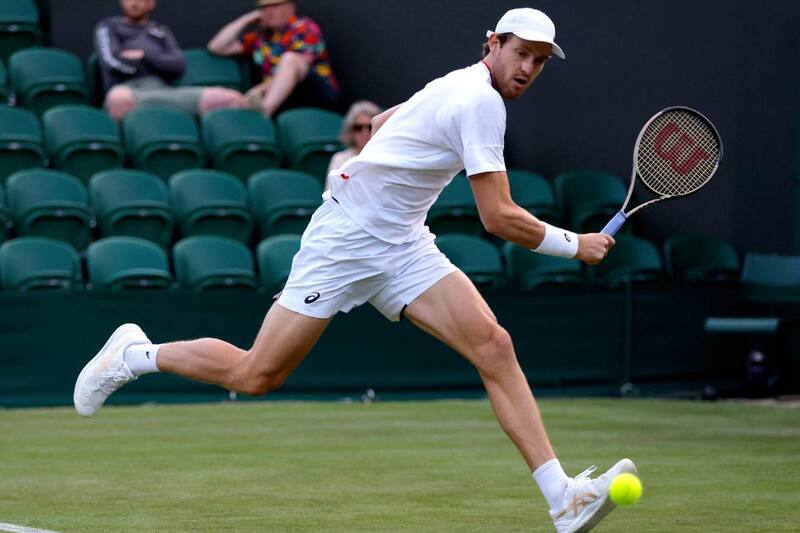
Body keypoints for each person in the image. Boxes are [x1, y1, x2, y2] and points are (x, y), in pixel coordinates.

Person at [75, 8, 636, 532]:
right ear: (493, 44)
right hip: (345, 240)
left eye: (539, 60)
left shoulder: (459, 83)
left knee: (494, 346)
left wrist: (388, 174)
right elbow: (498, 216)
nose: (529, 68)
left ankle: (563, 499)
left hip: (402, 242)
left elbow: (384, 119)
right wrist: (575, 245)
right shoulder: (479, 101)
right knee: (257, 374)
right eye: (521, 53)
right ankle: (133, 355)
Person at [96, 0, 246, 120]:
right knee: (118, 99)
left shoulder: (161, 31)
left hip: (165, 91)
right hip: (128, 90)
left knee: (232, 98)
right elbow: (111, 62)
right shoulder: (109, 26)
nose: (134, 2)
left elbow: (178, 65)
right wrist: (157, 64)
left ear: (151, 3)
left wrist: (145, 56)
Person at [207, 0, 339, 117]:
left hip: (314, 93)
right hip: (281, 99)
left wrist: (259, 90)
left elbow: (298, 66)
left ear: (290, 7)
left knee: (290, 59)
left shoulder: (304, 27)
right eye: (264, 7)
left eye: (275, 6)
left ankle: (263, 114)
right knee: (230, 103)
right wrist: (246, 19)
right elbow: (217, 47)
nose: (269, 12)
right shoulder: (260, 37)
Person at [326, 100, 382, 192]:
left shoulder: (384, 157)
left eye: (370, 127)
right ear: (350, 131)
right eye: (358, 128)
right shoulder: (340, 159)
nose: (365, 132)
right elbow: (331, 194)